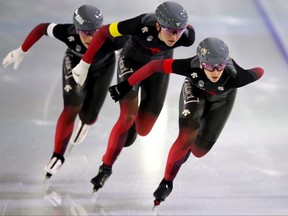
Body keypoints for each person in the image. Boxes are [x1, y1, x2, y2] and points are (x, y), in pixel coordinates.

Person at [109, 37, 264, 205]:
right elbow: (154, 66)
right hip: (195, 91)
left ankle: (187, 148)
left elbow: (259, 71)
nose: (215, 71)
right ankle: (167, 182)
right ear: (201, 63)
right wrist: (125, 85)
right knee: (187, 135)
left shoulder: (237, 77)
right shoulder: (190, 66)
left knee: (199, 151)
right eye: (209, 65)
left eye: (219, 65)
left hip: (223, 99)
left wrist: (242, 68)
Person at [71, 1, 196, 192]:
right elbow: (104, 31)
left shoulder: (187, 37)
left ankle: (128, 130)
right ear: (157, 25)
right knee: (128, 115)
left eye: (179, 30)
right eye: (170, 30)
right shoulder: (141, 23)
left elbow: (187, 32)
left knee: (143, 129)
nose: (174, 36)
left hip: (159, 67)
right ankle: (106, 167)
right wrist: (85, 62)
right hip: (131, 61)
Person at [2, 5, 128, 179]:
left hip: (103, 67)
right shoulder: (67, 33)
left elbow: (135, 38)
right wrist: (22, 50)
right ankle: (57, 155)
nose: (91, 38)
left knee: (89, 116)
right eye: (85, 32)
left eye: (95, 31)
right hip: (74, 62)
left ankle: (85, 122)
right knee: (71, 106)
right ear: (76, 29)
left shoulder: (112, 38)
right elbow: (41, 28)